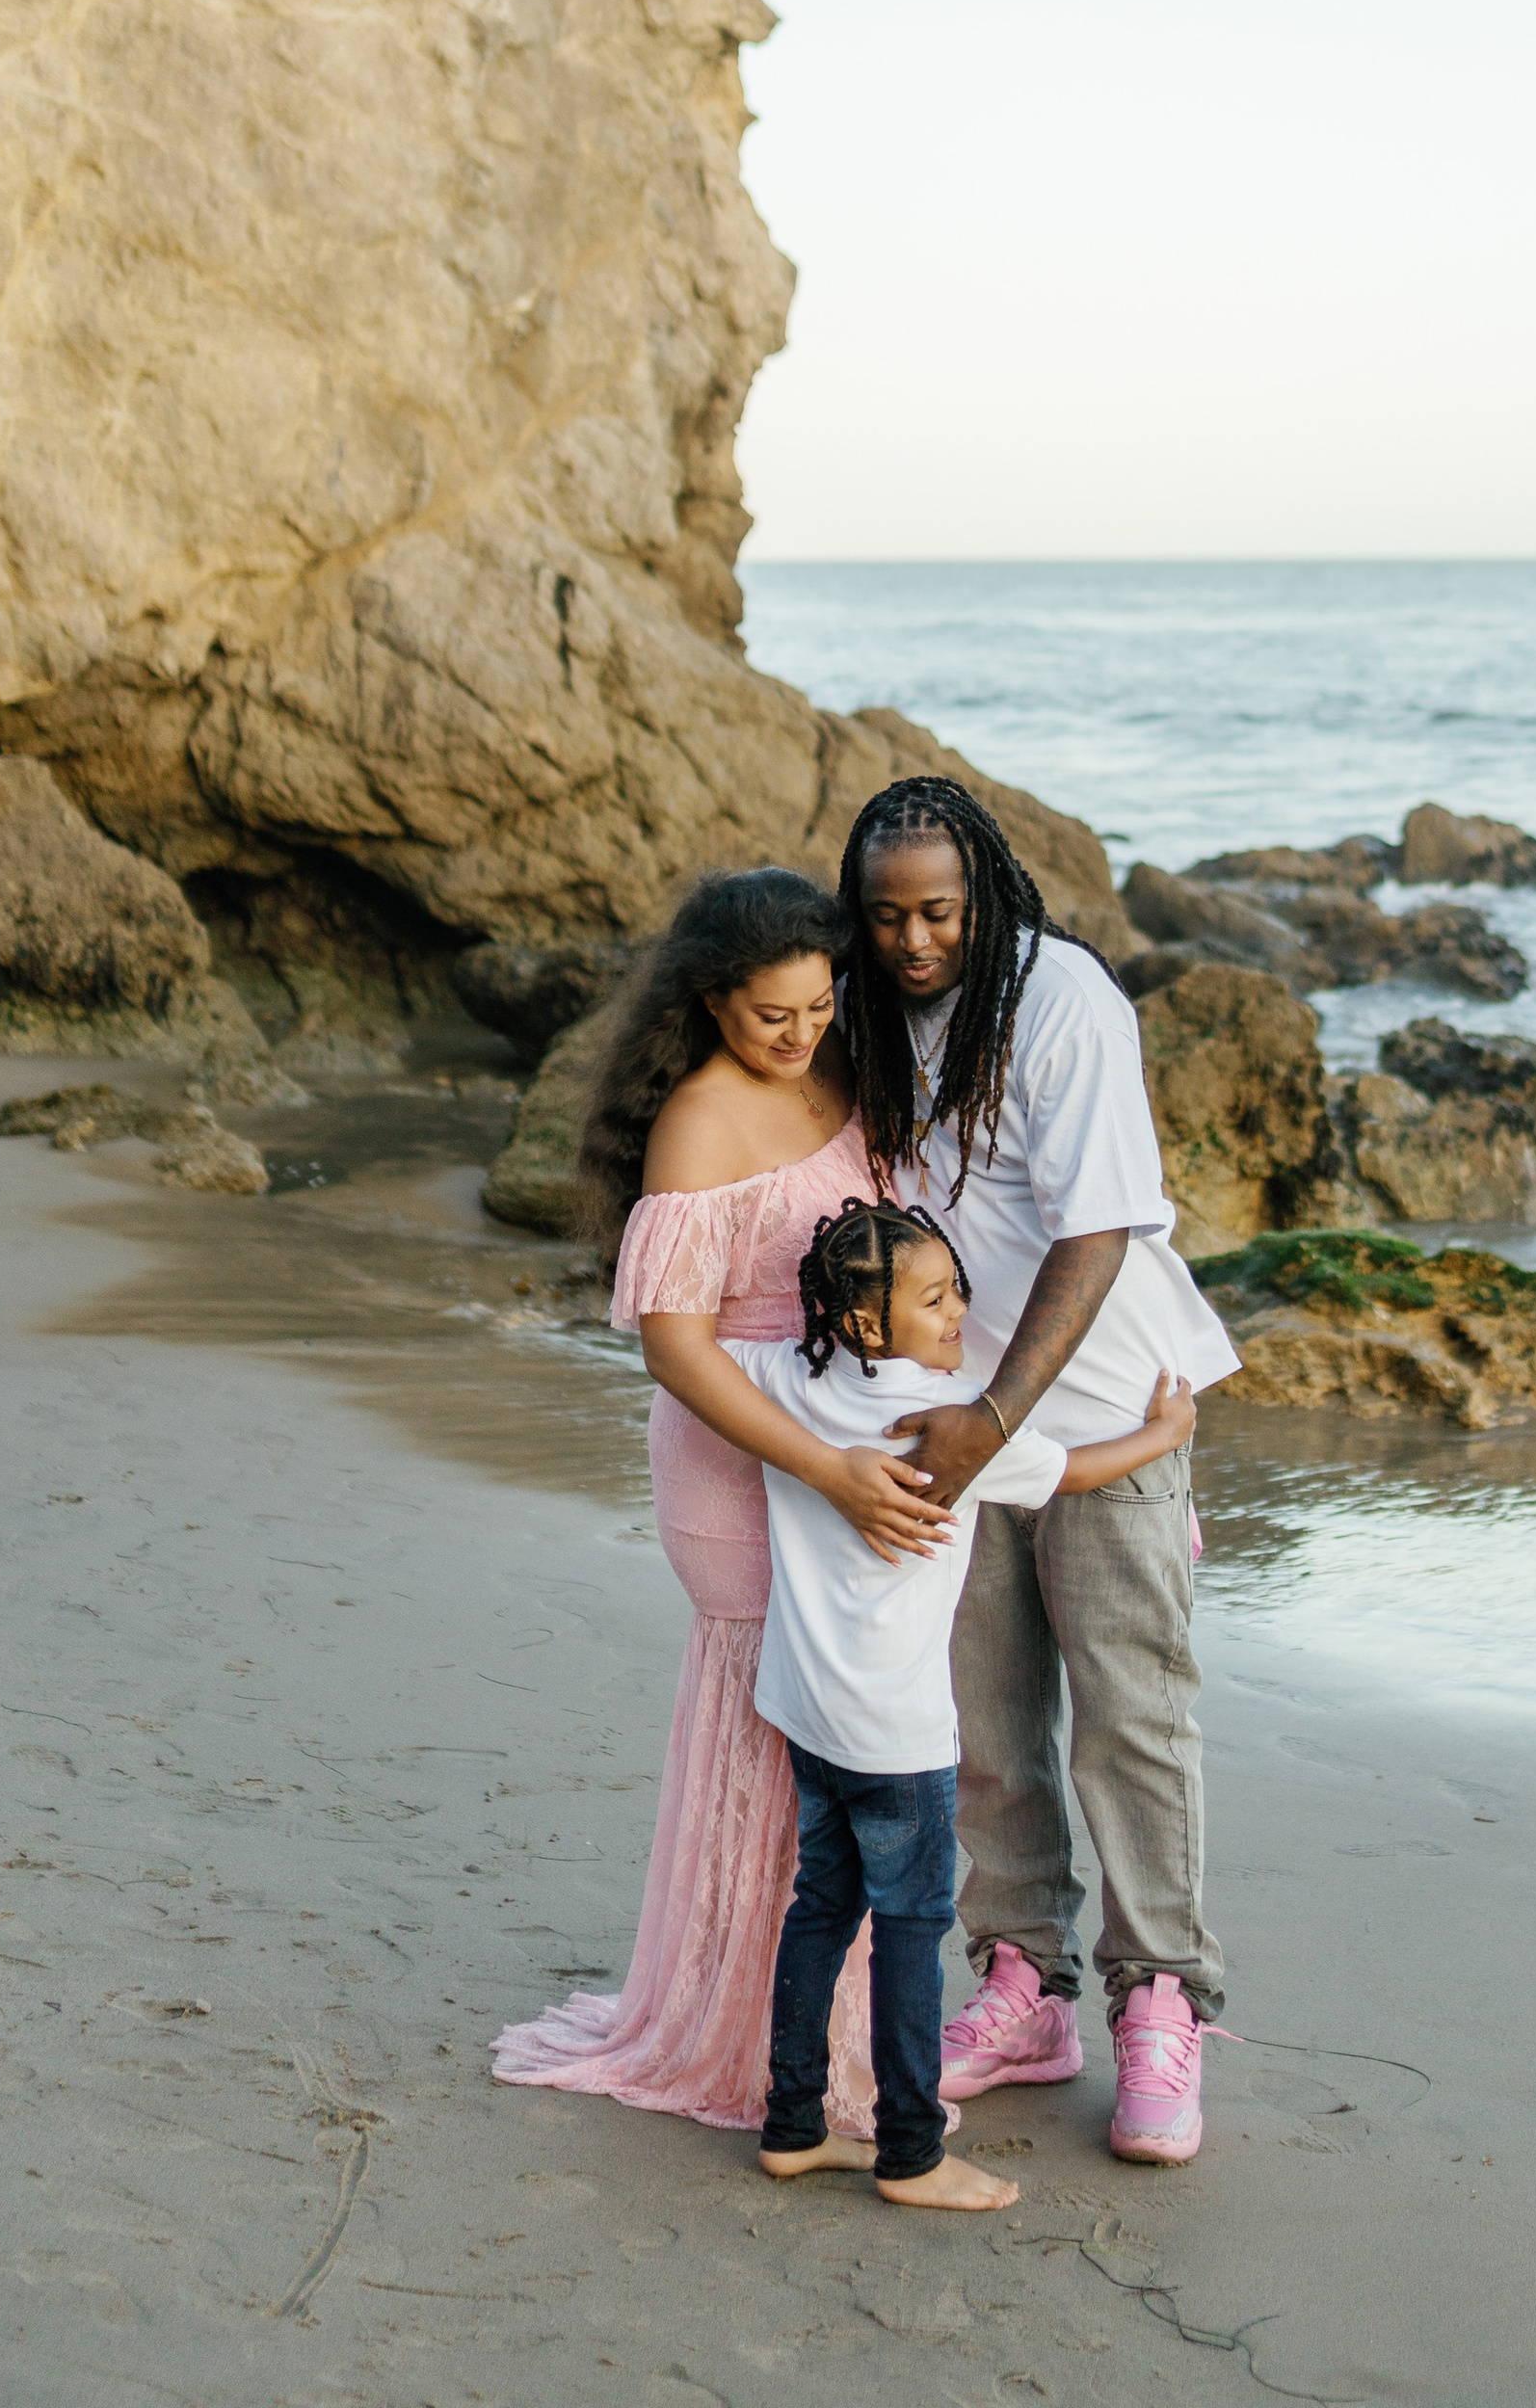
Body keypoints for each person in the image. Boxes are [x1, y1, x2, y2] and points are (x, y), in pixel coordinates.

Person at [490, 867, 943, 2134]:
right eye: (771, 1017)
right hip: (743, 1468)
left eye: (817, 1006)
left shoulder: (847, 1064)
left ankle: (826, 2034)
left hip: (847, 1454)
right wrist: (827, 1466)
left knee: (851, 1734)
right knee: (771, 1745)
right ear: (710, 1004)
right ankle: (747, 2046)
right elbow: (676, 1351)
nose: (801, 1036)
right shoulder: (697, 1121)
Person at [836, 774, 1242, 2165]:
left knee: (1133, 1720)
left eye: (938, 911)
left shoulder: (1063, 1000)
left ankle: (1162, 2005)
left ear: (987, 891)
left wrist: (999, 1417)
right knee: (983, 1720)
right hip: (957, 1419)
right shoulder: (872, 1002)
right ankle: (1023, 1991)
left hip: (1106, 1405)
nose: (911, 942)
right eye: (885, 917)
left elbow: (1101, 1230)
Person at [734, 1198, 1197, 2209]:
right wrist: (1166, 1428)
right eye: (937, 1299)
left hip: (806, 1709)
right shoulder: (956, 1432)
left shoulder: (789, 1381)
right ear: (866, 1321)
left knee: (820, 1912)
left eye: (958, 1291)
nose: (960, 1315)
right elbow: (1077, 1471)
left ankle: (793, 2125)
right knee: (906, 1934)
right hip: (898, 1739)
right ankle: (910, 2152)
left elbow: (719, 1360)